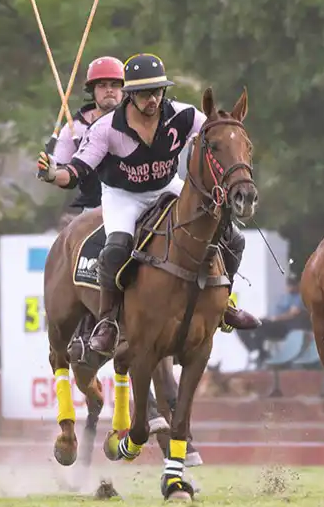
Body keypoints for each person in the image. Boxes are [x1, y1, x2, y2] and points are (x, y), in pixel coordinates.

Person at [38, 53, 261, 354]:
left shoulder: (183, 116)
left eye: (157, 91)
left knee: (233, 237)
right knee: (116, 249)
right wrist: (54, 174)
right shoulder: (106, 128)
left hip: (167, 186)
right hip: (123, 195)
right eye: (144, 93)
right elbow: (76, 171)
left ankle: (224, 305)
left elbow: (216, 132)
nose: (152, 99)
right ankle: (107, 322)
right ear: (131, 94)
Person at [47, 56, 124, 228]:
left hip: (134, 203)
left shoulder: (137, 121)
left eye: (114, 85)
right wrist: (50, 174)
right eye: (102, 85)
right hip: (93, 210)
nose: (109, 90)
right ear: (92, 91)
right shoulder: (75, 128)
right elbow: (62, 173)